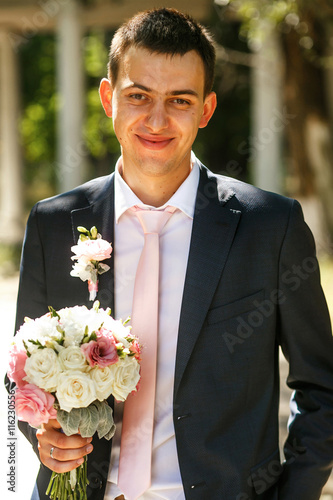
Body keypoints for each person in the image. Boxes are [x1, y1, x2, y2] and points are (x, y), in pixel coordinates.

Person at [13, 7, 333, 500]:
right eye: (138, 96)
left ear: (206, 109)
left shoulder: (270, 226)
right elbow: (22, 378)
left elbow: (322, 388)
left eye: (179, 100)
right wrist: (43, 439)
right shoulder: (52, 225)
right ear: (108, 99)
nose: (157, 120)